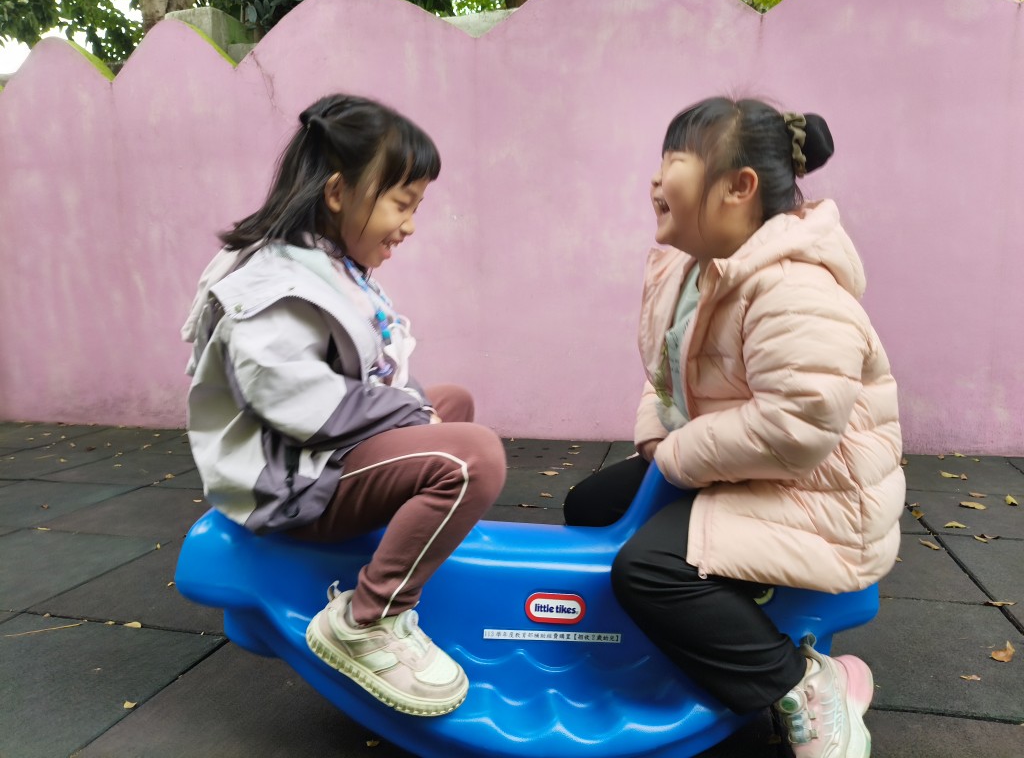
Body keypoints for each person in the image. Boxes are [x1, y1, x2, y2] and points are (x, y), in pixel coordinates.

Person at [563, 97, 903, 757]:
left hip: (820, 496)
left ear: (738, 188)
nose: (655, 179)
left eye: (674, 161)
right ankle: (685, 634)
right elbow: (667, 376)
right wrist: (659, 438)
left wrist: (677, 456)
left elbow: (797, 424)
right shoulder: (691, 272)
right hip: (744, 468)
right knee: (591, 507)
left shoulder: (793, 287)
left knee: (649, 570)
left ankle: (803, 681)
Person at [182, 93, 507, 717]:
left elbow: (368, 371)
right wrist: (408, 412)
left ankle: (399, 545)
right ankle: (367, 620)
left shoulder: (324, 263)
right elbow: (298, 402)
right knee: (473, 459)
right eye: (402, 204)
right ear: (338, 193)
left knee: (453, 402)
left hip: (315, 454)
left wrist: (415, 407)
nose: (410, 225)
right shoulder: (274, 284)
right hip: (288, 481)